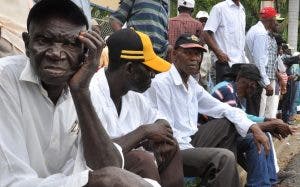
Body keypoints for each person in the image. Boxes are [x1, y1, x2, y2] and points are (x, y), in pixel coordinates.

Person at [0, 0, 156, 186]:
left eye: (70, 44)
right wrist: (91, 181)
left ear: (85, 53)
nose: (56, 53)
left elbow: (108, 164)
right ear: (27, 44)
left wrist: (80, 92)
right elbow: (11, 181)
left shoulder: (83, 86)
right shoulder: (5, 80)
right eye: (44, 40)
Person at [145, 34, 271, 187]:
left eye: (197, 54)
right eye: (188, 53)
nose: (194, 58)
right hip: (173, 149)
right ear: (174, 55)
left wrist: (253, 127)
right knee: (225, 157)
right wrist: (196, 152)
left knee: (228, 122)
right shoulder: (161, 84)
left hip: (190, 140)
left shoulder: (192, 85)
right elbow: (166, 132)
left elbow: (222, 108)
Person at [89, 28, 184, 187]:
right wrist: (143, 132)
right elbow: (98, 155)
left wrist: (154, 135)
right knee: (142, 160)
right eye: (149, 69)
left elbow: (162, 122)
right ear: (130, 69)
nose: (154, 75)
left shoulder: (133, 94)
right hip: (95, 171)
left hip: (123, 165)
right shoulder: (91, 93)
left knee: (169, 144)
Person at [211, 64, 294, 186]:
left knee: (262, 134)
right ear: (251, 84)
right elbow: (236, 124)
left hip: (224, 137)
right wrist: (269, 124)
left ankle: (269, 181)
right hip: (213, 139)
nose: (256, 89)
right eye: (256, 85)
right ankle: (261, 183)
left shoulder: (234, 93)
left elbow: (242, 118)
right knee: (256, 139)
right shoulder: (227, 90)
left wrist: (268, 120)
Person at [245, 6, 279, 119]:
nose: (276, 22)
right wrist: (266, 83)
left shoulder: (255, 29)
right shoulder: (261, 33)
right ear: (271, 19)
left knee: (252, 110)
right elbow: (259, 61)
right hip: (255, 77)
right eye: (275, 19)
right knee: (254, 111)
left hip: (252, 74)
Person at [203, 0, 248, 83]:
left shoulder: (242, 10)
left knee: (237, 95)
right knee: (224, 94)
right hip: (225, 64)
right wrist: (218, 53)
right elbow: (206, 33)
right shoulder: (219, 8)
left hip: (240, 64)